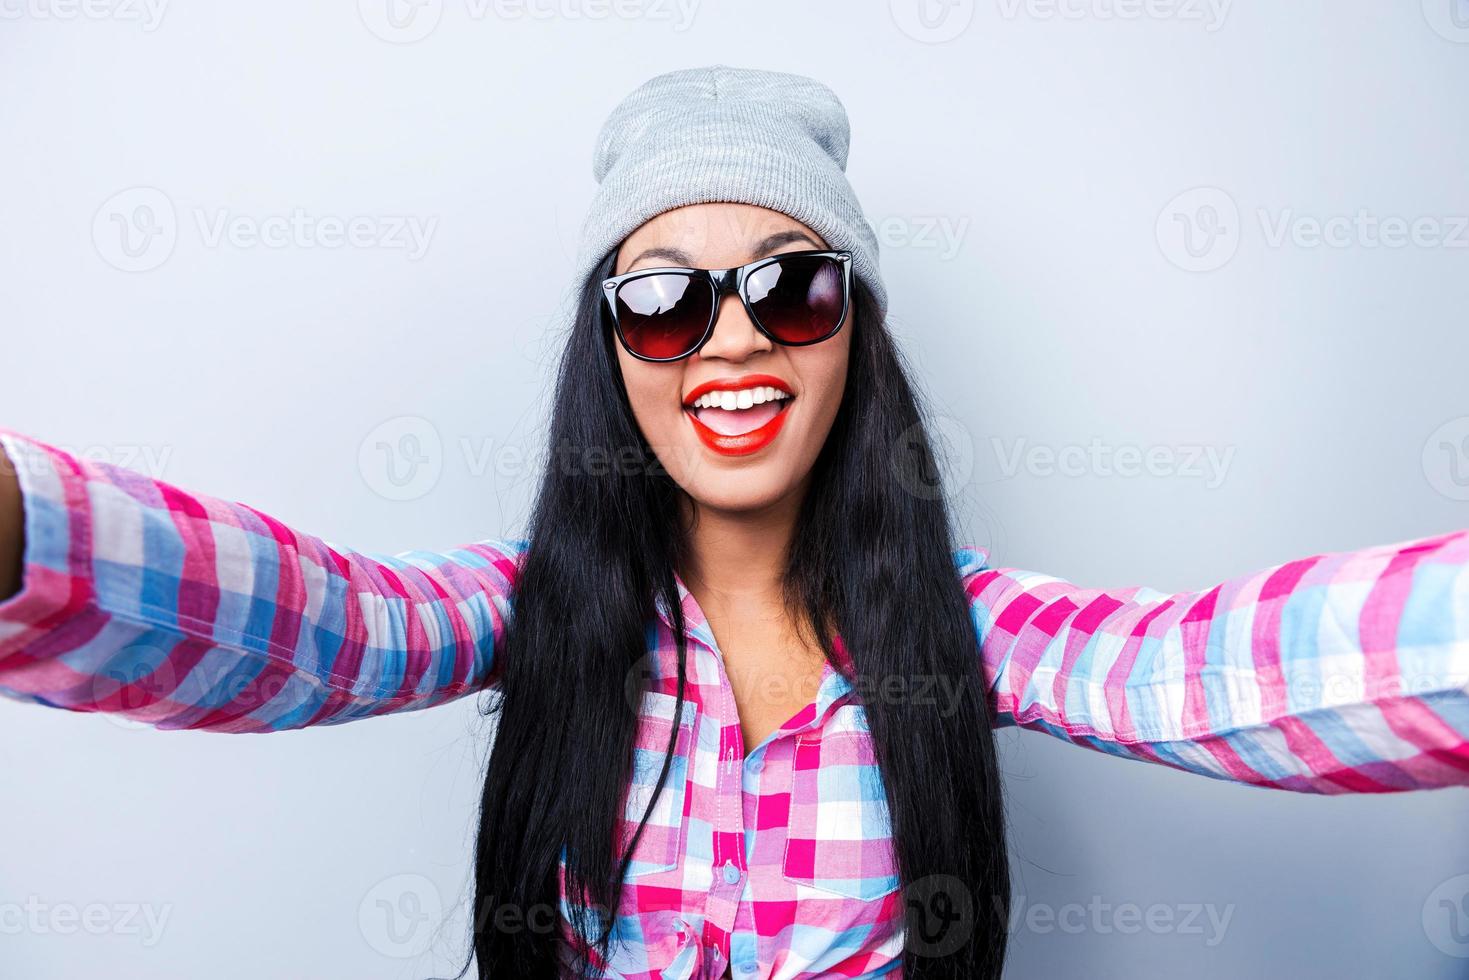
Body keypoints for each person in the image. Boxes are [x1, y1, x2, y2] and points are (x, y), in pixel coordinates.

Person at [2, 64, 1467, 980]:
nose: (732, 344)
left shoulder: (963, 634)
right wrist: (19, 524)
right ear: (608, 349)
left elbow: (1215, 672)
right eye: (660, 299)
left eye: (790, 284)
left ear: (854, 334)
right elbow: (320, 625)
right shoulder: (525, 612)